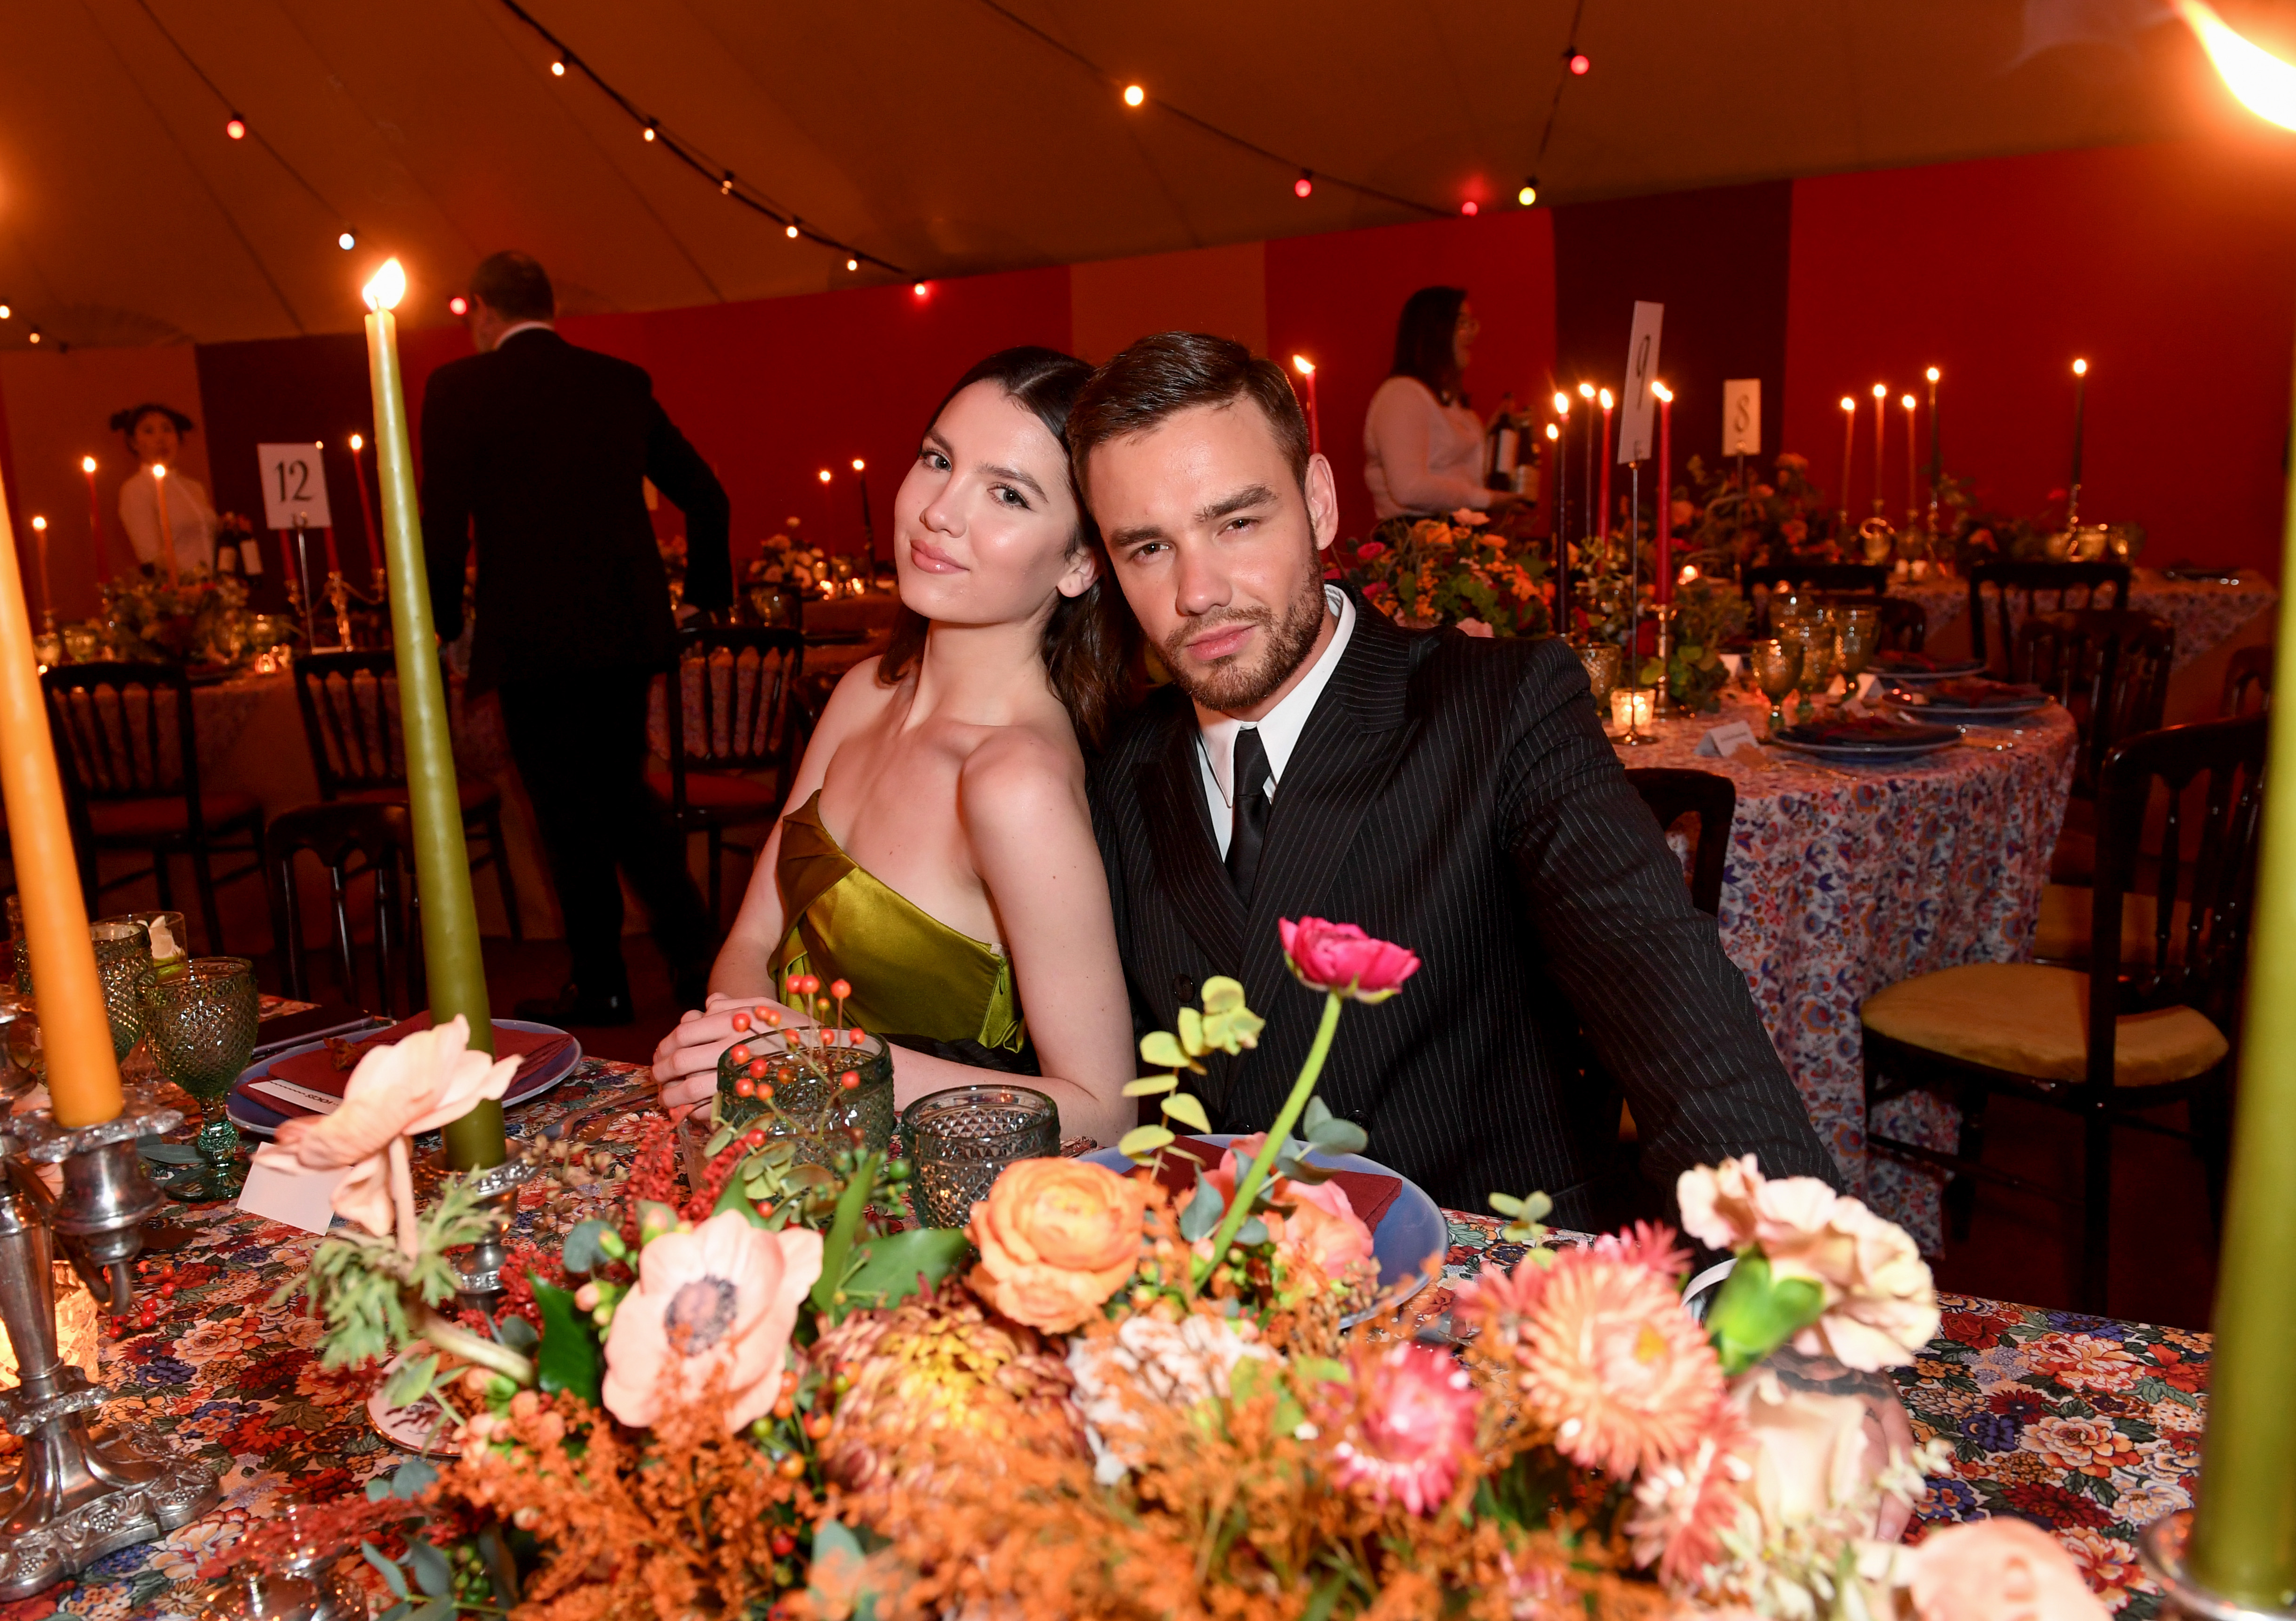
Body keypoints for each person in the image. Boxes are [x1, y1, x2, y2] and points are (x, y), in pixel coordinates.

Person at [1070, 331, 1837, 1222]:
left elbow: (1671, 1003)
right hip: (1235, 1317)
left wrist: (1788, 1264)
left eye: (1236, 523)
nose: (1196, 591)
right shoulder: (1119, 775)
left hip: (1492, 1294)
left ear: (1318, 503)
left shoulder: (1498, 708)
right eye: (1148, 550)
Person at [649, 348, 1137, 1146]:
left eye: (1006, 494)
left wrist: (812, 1060)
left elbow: (1105, 1114)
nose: (938, 511)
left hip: (915, 1216)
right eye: (937, 460)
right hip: (779, 1157)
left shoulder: (1014, 781)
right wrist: (739, 1044)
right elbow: (748, 943)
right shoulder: (864, 694)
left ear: (1082, 562)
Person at [421, 250, 728, 1026]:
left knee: (566, 813)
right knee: (623, 796)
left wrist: (446, 626)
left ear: (483, 310)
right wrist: (704, 601)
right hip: (623, 632)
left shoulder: (459, 389)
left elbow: (442, 522)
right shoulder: (616, 381)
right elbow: (706, 495)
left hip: (529, 637)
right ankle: (698, 959)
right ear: (549, 306)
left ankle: (604, 985)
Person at [1361, 286, 1528, 523]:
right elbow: (1408, 487)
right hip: (1418, 541)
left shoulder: (1452, 402)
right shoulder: (1402, 394)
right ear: (1434, 331)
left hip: (1458, 533)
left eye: (1473, 323)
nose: (1472, 334)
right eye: (1462, 323)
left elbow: (1457, 470)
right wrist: (1486, 499)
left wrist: (1495, 434)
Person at [110, 403, 219, 573]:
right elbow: (150, 554)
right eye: (149, 432)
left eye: (167, 430)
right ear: (134, 443)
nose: (161, 439)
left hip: (213, 588)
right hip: (177, 591)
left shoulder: (194, 487)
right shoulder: (137, 489)